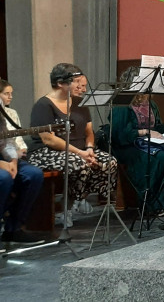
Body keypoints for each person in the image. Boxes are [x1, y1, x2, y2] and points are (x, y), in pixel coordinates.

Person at [28, 63, 118, 225]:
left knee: (109, 161)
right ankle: (66, 208)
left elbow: (89, 131)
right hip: (46, 152)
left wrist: (89, 148)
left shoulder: (79, 103)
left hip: (81, 149)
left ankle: (79, 197)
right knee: (79, 163)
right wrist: (81, 153)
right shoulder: (43, 105)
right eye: (77, 82)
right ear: (60, 83)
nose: (81, 87)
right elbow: (49, 139)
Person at [110, 91, 164, 213]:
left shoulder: (151, 104)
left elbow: (156, 128)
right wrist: (145, 132)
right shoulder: (122, 104)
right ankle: (155, 205)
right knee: (161, 157)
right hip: (129, 145)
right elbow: (120, 134)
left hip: (149, 141)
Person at [0, 79, 44, 247]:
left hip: (5, 157)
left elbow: (7, 140)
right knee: (4, 178)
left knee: (33, 174)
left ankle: (14, 228)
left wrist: (12, 160)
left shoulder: (3, 110)